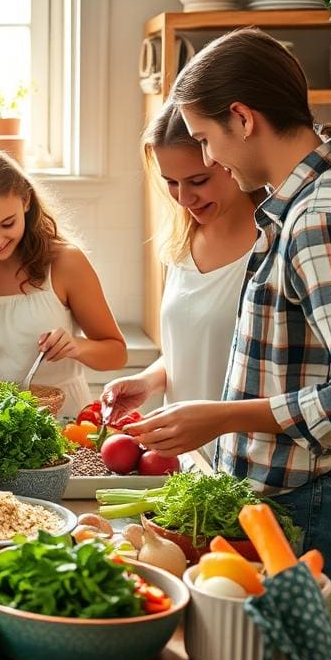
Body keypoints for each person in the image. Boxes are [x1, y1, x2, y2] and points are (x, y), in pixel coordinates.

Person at [126, 28, 331, 578]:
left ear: (243, 118)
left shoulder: (318, 219)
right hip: (308, 492)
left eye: (206, 139)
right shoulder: (323, 196)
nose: (208, 155)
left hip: (322, 496)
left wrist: (225, 416)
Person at [101, 101, 259, 463]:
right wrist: (150, 380)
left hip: (247, 465)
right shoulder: (180, 245)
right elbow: (194, 347)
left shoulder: (270, 245)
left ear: (228, 158)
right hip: (187, 467)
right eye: (171, 183)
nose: (185, 198)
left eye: (198, 181)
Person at [0, 149, 127, 418]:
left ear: (25, 200)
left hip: (61, 422)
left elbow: (116, 354)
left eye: (7, 223)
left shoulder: (64, 262)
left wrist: (75, 346)